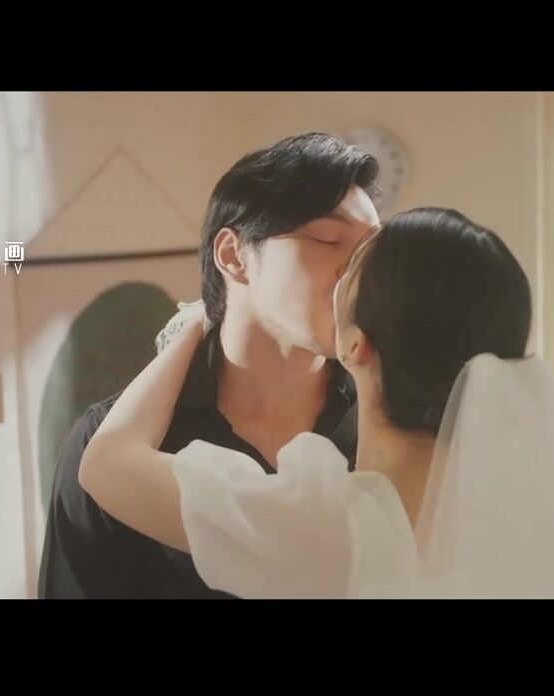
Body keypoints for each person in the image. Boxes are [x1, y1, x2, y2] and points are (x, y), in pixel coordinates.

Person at [77, 207, 554, 599]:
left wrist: (193, 324)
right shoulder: (527, 514)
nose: (335, 271)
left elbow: (106, 465)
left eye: (351, 267)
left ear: (355, 344)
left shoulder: (331, 527)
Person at [36, 133, 381, 598]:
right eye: (328, 239)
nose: (358, 273)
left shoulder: (395, 428)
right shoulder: (106, 437)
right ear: (233, 256)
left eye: (371, 251)